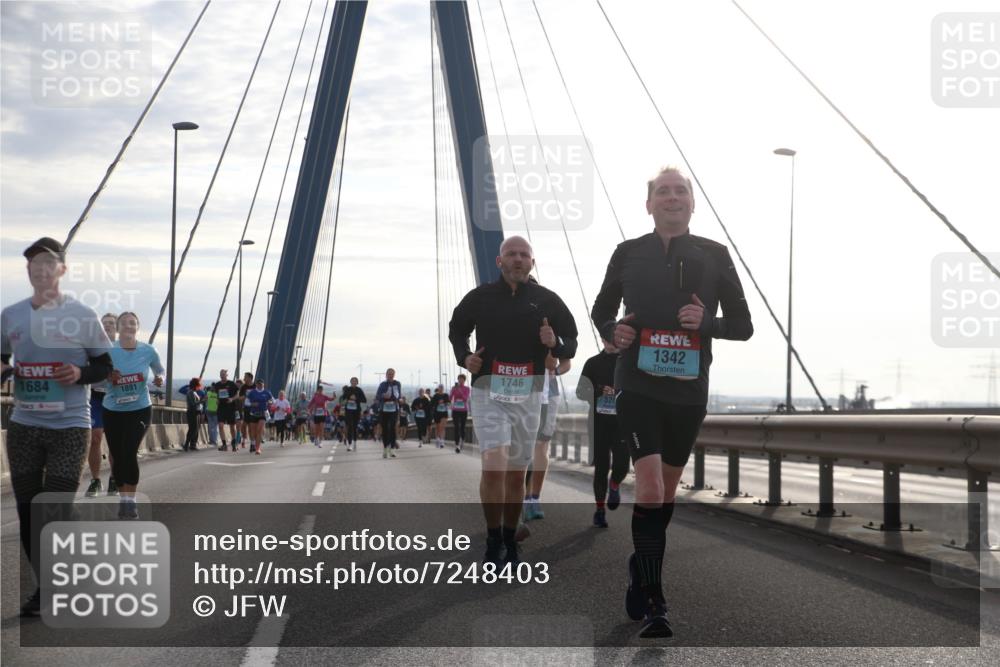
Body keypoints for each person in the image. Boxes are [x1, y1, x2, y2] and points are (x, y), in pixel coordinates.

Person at [591, 166, 753, 638]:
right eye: (662, 191)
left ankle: (640, 562)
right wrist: (612, 331)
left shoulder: (715, 254)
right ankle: (656, 601)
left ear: (692, 203)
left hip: (688, 392)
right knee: (648, 489)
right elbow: (602, 310)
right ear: (649, 205)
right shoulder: (627, 253)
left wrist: (707, 323)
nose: (672, 197)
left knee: (663, 494)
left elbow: (742, 325)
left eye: (680, 191)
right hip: (637, 385)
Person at [449, 235, 578, 567]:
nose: (518, 259)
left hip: (529, 392)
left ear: (532, 263)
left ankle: (510, 539)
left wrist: (557, 343)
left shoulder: (547, 300)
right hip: (488, 390)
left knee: (515, 473)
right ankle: (493, 542)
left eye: (524, 255)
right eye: (511, 254)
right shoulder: (479, 298)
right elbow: (456, 330)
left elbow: (572, 342)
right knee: (494, 466)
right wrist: (465, 357)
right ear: (499, 261)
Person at [1, 237, 113, 616]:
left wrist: (81, 372)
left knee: (55, 508)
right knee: (30, 511)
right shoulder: (11, 315)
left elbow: (104, 366)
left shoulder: (82, 315)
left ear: (62, 270)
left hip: (70, 426)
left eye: (49, 264)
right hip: (24, 426)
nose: (41, 270)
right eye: (34, 264)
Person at [103, 312, 164, 519]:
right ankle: (123, 498)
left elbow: (160, 371)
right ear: (118, 328)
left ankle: (131, 501)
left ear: (137, 326)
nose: (129, 326)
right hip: (112, 409)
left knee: (129, 451)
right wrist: (109, 377)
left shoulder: (148, 350)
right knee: (117, 456)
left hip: (140, 408)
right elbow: (97, 378)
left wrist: (159, 380)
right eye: (124, 323)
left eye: (133, 323)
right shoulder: (107, 351)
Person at [577, 340, 628, 528]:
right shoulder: (592, 363)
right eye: (608, 337)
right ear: (603, 339)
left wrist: (620, 393)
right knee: (601, 467)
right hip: (598, 423)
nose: (612, 341)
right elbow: (580, 391)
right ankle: (600, 511)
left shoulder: (628, 361)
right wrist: (599, 391)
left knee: (622, 465)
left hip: (623, 423)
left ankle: (614, 485)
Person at [523, 355, 571, 520]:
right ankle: (523, 496)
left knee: (541, 446)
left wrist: (554, 370)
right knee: (524, 446)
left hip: (549, 393)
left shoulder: (555, 330)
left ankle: (534, 498)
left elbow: (566, 363)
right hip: (522, 391)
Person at [85, 312, 118, 496]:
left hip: (116, 399)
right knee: (95, 438)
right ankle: (95, 480)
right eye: (104, 323)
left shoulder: (123, 349)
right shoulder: (92, 348)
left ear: (117, 328)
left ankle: (114, 478)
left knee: (114, 441)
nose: (107, 326)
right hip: (95, 397)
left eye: (111, 324)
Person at [375, 369, 402, 458]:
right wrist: (383, 395)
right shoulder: (383, 384)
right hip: (384, 409)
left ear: (394, 375)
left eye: (392, 374)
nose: (390, 375)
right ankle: (385, 448)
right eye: (389, 374)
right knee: (386, 428)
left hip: (394, 409)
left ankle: (392, 449)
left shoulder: (397, 384)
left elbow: (399, 395)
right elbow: (378, 396)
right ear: (386, 375)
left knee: (392, 427)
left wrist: (400, 399)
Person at [212, 369, 239, 451]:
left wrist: (232, 399)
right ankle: (224, 445)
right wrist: (217, 399)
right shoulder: (217, 385)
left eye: (224, 374)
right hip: (221, 408)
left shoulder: (231, 384)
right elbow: (216, 395)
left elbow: (237, 394)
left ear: (227, 375)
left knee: (232, 427)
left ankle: (234, 443)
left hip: (230, 408)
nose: (222, 376)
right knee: (220, 426)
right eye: (221, 374)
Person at [245, 379, 274, 454]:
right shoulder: (252, 392)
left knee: (259, 430)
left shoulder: (267, 392)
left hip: (263, 413)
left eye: (261, 384)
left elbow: (273, 401)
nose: (260, 385)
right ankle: (253, 443)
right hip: (253, 413)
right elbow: (246, 402)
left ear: (263, 384)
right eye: (258, 384)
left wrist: (270, 402)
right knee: (253, 432)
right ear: (256, 384)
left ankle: (258, 449)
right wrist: (252, 404)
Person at [341, 379, 366, 451]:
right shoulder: (348, 389)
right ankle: (349, 444)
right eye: (352, 381)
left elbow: (364, 400)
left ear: (357, 383)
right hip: (348, 410)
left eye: (355, 381)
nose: (354, 382)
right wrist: (349, 398)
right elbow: (343, 398)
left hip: (356, 411)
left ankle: (355, 442)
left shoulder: (359, 390)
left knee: (354, 427)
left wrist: (356, 399)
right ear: (350, 382)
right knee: (349, 426)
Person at [449, 374, 471, 453]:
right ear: (458, 380)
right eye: (459, 379)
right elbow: (450, 398)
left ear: (464, 380)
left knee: (462, 427)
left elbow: (465, 399)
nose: (460, 381)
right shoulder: (454, 388)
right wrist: (453, 391)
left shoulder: (467, 389)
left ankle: (462, 440)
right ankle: (457, 445)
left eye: (462, 379)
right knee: (456, 427)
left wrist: (460, 391)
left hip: (463, 410)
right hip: (455, 410)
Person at [184, 377, 203, 451]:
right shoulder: (191, 392)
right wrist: (201, 401)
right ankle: (186, 444)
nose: (200, 386)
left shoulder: (194, 392)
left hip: (197, 412)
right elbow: (192, 404)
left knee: (196, 429)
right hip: (192, 412)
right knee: (192, 428)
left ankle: (193, 444)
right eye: (199, 384)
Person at [428, 384, 450, 449]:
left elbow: (449, 402)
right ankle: (438, 439)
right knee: (438, 427)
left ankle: (442, 441)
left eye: (442, 387)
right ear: (438, 388)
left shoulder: (446, 395)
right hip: (437, 413)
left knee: (443, 427)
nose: (441, 388)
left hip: (444, 412)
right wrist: (438, 403)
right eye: (440, 387)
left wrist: (445, 402)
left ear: (443, 388)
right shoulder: (435, 396)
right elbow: (431, 404)